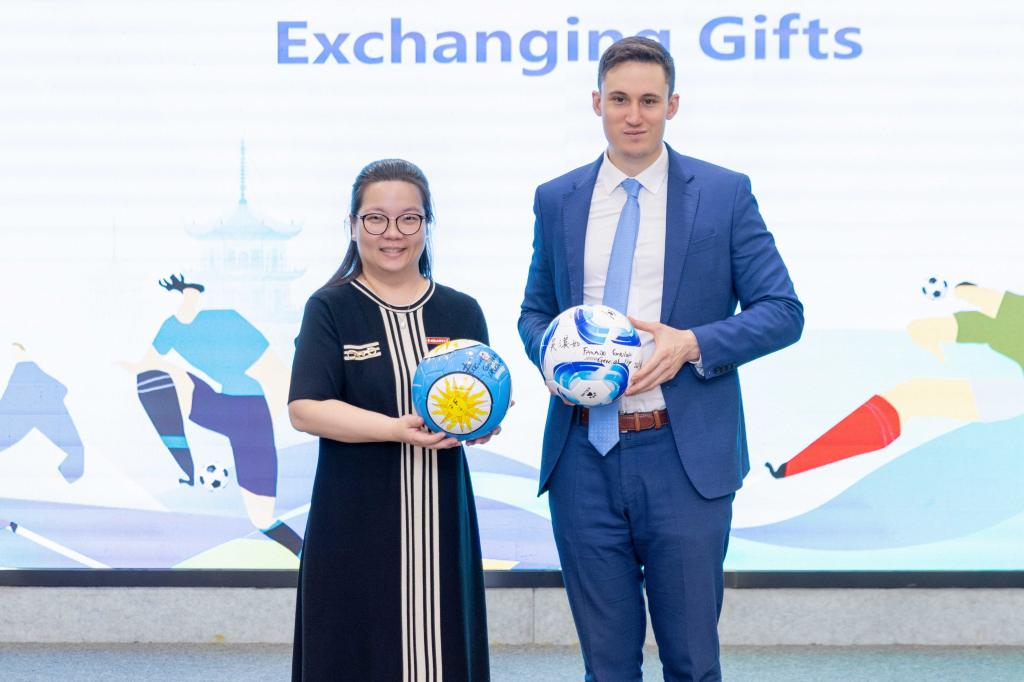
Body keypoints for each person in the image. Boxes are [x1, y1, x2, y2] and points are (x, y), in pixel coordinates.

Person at [518, 37, 803, 681]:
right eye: (619, 99)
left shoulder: (724, 193)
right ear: (597, 102)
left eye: (649, 101)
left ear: (673, 105)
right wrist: (553, 358)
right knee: (606, 668)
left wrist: (691, 344)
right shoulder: (557, 199)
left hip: (683, 456)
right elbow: (535, 312)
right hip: (582, 458)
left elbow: (782, 311)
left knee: (692, 663)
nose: (634, 115)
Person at [288, 158, 494, 681]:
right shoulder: (330, 308)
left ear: (427, 224)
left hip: (441, 515)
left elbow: (477, 403)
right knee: (354, 652)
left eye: (409, 218)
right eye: (376, 218)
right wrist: (393, 429)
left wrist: (484, 421)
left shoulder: (462, 311)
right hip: (353, 518)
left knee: (442, 649)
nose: (393, 233)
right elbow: (305, 409)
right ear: (352, 224)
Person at [121, 276, 303, 557]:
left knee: (261, 518)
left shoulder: (229, 321)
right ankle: (185, 461)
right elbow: (149, 364)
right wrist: (134, 367)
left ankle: (305, 554)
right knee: (155, 377)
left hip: (250, 409)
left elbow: (279, 378)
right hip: (219, 405)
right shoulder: (170, 328)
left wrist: (262, 426)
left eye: (190, 293)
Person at [767, 282, 1024, 478]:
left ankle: (795, 467)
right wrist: (929, 331)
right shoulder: (992, 323)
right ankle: (796, 466)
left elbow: (985, 301)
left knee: (913, 396)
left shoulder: (1012, 311)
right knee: (911, 396)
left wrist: (967, 295)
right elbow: (945, 326)